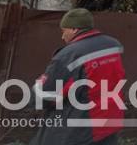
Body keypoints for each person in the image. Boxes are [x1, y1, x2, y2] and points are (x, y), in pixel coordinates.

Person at [30, 8, 126, 145]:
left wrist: (38, 85)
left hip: (81, 128)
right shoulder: (112, 45)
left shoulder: (69, 55)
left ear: (75, 29)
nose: (62, 37)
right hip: (109, 121)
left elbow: (45, 94)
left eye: (64, 31)